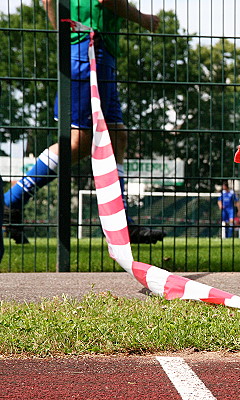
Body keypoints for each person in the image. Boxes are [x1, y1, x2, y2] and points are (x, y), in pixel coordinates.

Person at [3, 0, 164, 244]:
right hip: (89, 50)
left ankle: (121, 224)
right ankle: (10, 202)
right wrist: (142, 18)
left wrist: (66, 35)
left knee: (116, 136)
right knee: (78, 140)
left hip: (96, 50)